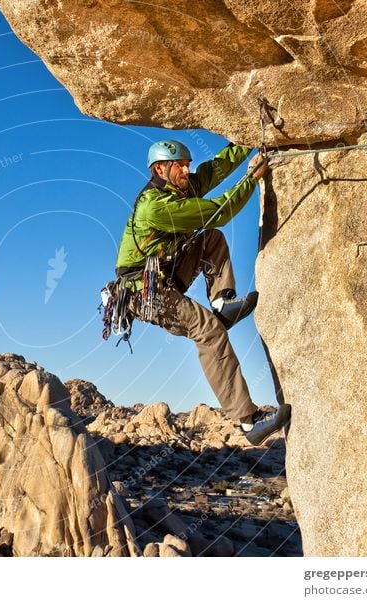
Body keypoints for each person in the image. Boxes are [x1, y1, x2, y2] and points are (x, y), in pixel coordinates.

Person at [115, 139, 290, 445]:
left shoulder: (180, 187)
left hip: (166, 277)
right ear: (160, 169)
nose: (187, 170)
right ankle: (248, 423)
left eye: (187, 164)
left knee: (210, 239)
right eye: (180, 166)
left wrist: (248, 141)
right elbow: (219, 210)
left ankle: (222, 302)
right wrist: (251, 180)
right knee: (208, 332)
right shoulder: (156, 206)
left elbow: (215, 170)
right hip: (145, 292)